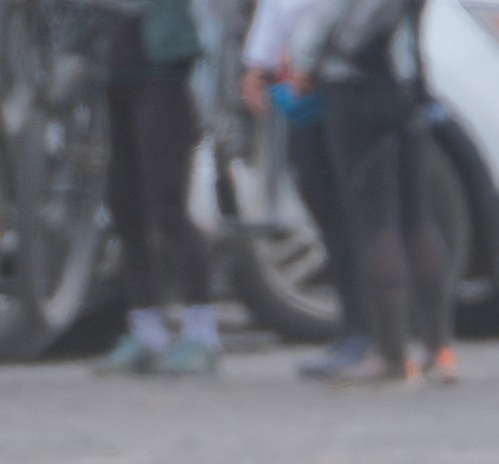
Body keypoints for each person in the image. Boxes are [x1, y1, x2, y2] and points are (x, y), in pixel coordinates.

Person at [290, 0, 458, 384]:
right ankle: (440, 350)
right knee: (417, 217)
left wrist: (302, 62)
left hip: (355, 83)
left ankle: (394, 357)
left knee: (374, 219)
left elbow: (327, 11)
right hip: (406, 80)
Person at [240, 0, 372, 379]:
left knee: (357, 210)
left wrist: (275, 62)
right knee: (328, 209)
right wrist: (259, 65)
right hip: (302, 81)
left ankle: (368, 332)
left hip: (343, 76)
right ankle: (355, 329)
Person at [94, 0, 222, 376]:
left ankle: (202, 332)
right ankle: (147, 330)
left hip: (162, 74)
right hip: (117, 72)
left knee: (167, 205)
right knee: (125, 207)